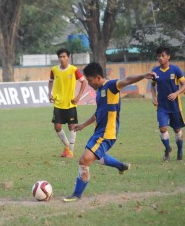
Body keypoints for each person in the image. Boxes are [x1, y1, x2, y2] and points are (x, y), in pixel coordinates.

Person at [63, 62, 156, 201]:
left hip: (107, 133)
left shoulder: (111, 86)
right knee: (96, 155)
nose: (89, 84)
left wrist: (143, 75)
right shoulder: (99, 92)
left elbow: (127, 80)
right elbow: (98, 113)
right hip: (98, 132)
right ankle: (120, 166)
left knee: (84, 160)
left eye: (90, 80)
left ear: (98, 77)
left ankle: (76, 195)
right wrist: (83, 125)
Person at [48, 48, 87, 158]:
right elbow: (50, 81)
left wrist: (78, 97)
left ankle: (70, 151)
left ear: (68, 57)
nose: (62, 59)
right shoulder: (54, 69)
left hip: (70, 103)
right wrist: (49, 93)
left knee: (72, 126)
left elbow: (84, 82)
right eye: (60, 57)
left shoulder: (74, 70)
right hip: (58, 103)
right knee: (57, 127)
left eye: (64, 56)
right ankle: (66, 146)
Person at [151, 47, 185, 161]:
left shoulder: (175, 70)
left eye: (162, 55)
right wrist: (153, 97)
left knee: (177, 130)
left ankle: (180, 151)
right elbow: (152, 85)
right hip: (162, 106)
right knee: (162, 128)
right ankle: (168, 149)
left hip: (174, 106)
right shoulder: (155, 71)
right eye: (158, 56)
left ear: (168, 57)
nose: (160, 58)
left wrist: (176, 93)